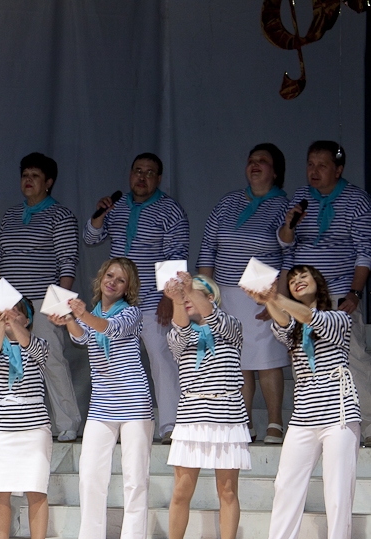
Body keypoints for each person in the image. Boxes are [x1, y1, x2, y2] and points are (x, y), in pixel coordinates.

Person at [246, 266, 360, 539]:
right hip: (303, 416)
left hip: (339, 414)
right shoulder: (293, 328)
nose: (297, 281)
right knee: (285, 486)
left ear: (318, 284)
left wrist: (274, 296)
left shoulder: (339, 318)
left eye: (303, 277)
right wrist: (268, 299)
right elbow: (285, 323)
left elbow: (311, 317)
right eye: (293, 279)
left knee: (337, 493)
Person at [55, 258, 153, 539]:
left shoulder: (130, 313)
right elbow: (82, 338)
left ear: (128, 288)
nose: (113, 282)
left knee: (135, 483)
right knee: (90, 481)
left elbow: (108, 329)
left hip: (134, 404)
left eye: (120, 280)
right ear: (101, 278)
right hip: (101, 406)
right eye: (109, 275)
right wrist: (69, 319)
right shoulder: (94, 310)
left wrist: (81, 315)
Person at [84, 153, 189, 443]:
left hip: (154, 302)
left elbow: (176, 254)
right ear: (130, 174)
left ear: (159, 178)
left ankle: (170, 425)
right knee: (115, 363)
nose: (142, 177)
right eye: (138, 171)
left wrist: (168, 297)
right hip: (118, 305)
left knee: (161, 359)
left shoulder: (170, 210)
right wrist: (100, 214)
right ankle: (117, 423)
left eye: (149, 172)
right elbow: (90, 238)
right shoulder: (115, 206)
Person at [154, 273, 250, 539]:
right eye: (184, 297)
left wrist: (188, 289)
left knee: (228, 491)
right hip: (192, 416)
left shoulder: (230, 325)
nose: (187, 300)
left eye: (193, 295)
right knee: (181, 491)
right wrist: (175, 298)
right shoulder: (178, 334)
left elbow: (215, 319)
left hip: (227, 416)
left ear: (210, 298)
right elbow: (181, 332)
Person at [197, 144, 291, 443]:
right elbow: (208, 247)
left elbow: (290, 253)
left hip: (262, 290)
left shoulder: (285, 206)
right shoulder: (228, 202)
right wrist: (204, 295)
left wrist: (278, 298)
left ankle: (275, 422)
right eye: (251, 160)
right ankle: (244, 421)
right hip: (225, 291)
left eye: (263, 161)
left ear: (275, 171)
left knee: (266, 358)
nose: (255, 164)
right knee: (236, 359)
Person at [278, 141, 371, 443]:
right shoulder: (301, 197)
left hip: (339, 293)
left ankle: (368, 427)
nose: (314, 171)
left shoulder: (356, 200)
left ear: (338, 170)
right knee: (304, 359)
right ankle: (311, 425)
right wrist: (290, 225)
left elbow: (364, 252)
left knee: (352, 360)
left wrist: (355, 293)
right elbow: (286, 245)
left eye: (322, 165)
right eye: (310, 164)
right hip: (303, 297)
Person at [0, 152, 81, 441]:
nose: (28, 181)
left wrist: (61, 304)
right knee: (12, 360)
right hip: (11, 303)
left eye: (35, 176)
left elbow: (67, 261)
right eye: (24, 175)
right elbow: (1, 260)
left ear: (49, 182)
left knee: (50, 359)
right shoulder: (10, 216)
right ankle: (20, 420)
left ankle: (67, 422)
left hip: (44, 301)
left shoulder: (61, 215)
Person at [0, 297, 51, 539]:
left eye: (16, 314)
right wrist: (1, 324)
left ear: (28, 319)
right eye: (6, 313)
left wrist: (12, 321)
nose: (10, 317)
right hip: (2, 429)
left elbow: (29, 345)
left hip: (34, 429)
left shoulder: (38, 344)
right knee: (0, 492)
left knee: (36, 491)